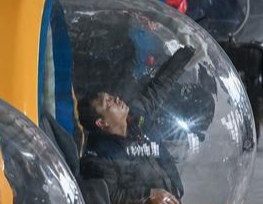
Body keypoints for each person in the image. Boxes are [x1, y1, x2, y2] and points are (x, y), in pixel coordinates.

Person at [77, 47, 195, 204]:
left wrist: (187, 54)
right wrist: (148, 195)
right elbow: (111, 196)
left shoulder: (137, 116)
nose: (116, 99)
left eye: (111, 96)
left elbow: (158, 88)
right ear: (101, 122)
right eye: (108, 102)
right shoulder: (99, 156)